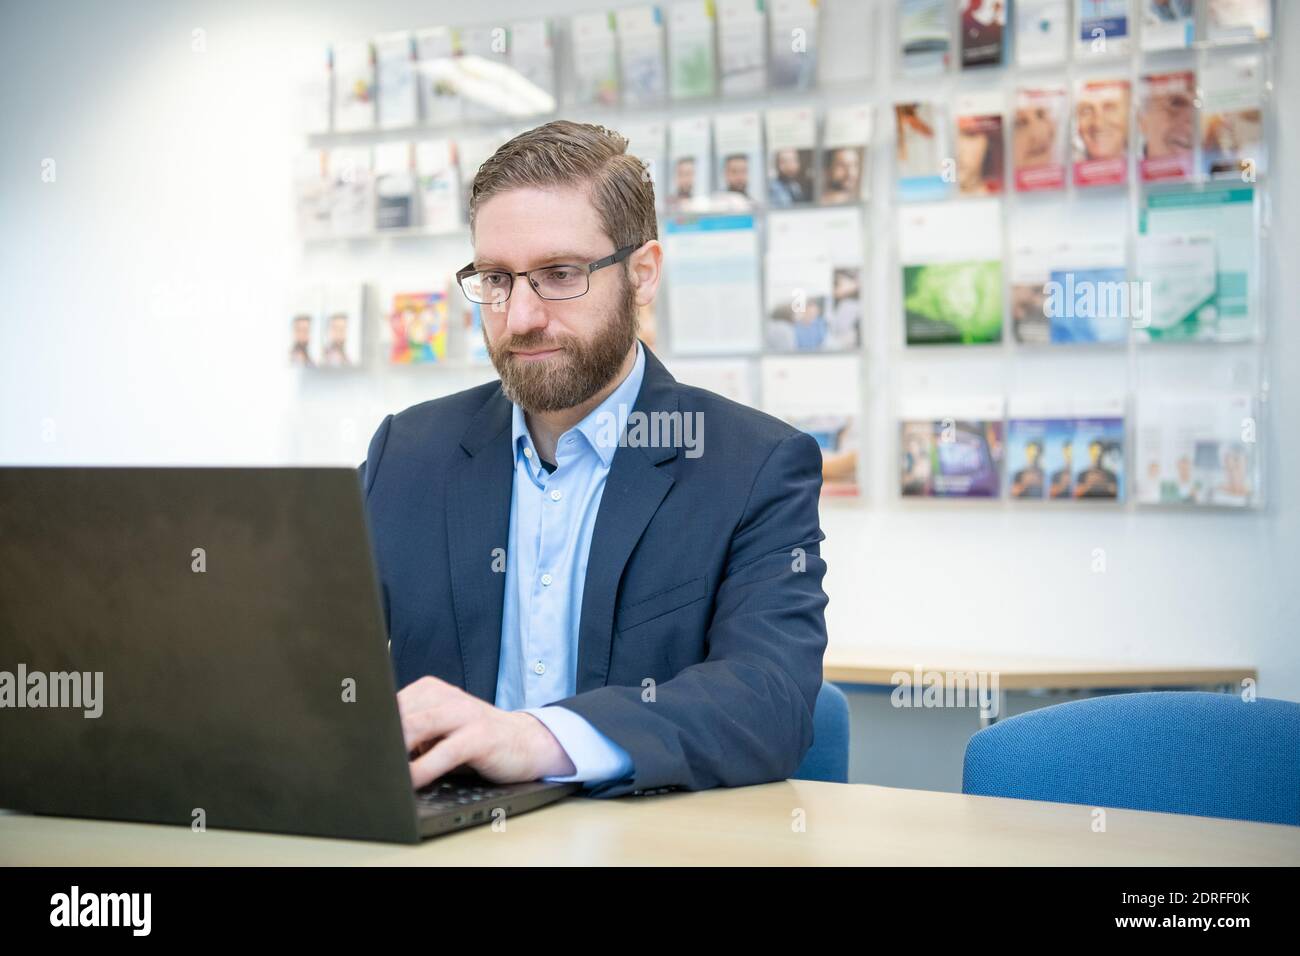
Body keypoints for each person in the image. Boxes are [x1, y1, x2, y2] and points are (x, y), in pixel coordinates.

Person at [360, 120, 829, 798]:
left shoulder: (754, 467)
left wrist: (541, 739)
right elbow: (305, 659)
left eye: (559, 275)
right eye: (496, 279)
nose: (520, 316)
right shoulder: (406, 455)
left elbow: (770, 702)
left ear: (642, 275)